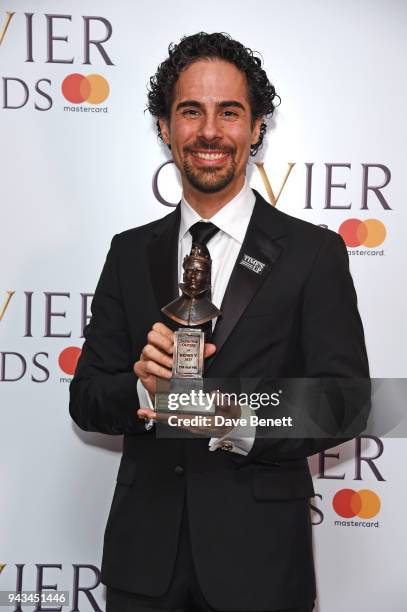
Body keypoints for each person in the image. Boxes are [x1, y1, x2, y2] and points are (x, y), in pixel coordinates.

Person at [69, 32, 369, 612]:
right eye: (191, 112)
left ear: (256, 128)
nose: (210, 132)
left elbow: (346, 401)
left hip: (258, 567)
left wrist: (226, 413)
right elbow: (87, 398)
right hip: (142, 566)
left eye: (229, 112)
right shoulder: (129, 253)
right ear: (164, 127)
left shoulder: (312, 253)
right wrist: (142, 387)